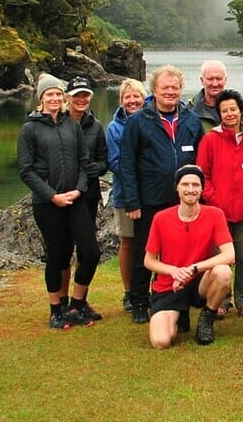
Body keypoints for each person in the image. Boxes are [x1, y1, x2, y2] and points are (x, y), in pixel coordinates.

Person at [119, 65, 204, 324]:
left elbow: (200, 160)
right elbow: (127, 163)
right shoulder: (138, 121)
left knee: (179, 254)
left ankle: (174, 300)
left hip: (182, 200)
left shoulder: (191, 120)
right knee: (145, 253)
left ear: (181, 90)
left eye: (175, 88)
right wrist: (132, 201)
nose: (170, 92)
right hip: (149, 200)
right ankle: (138, 301)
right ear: (154, 90)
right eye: (165, 88)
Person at [18, 74, 101, 329]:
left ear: (63, 97)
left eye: (57, 94)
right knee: (57, 255)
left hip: (75, 199)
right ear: (40, 97)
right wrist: (51, 195)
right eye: (49, 94)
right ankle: (56, 310)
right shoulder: (30, 128)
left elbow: (84, 163)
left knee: (90, 251)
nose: (54, 98)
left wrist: (78, 190)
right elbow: (26, 170)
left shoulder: (71, 125)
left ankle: (77, 305)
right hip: (47, 203)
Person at [144, 165, 234, 348]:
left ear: (202, 188)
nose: (190, 189)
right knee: (161, 342)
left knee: (224, 272)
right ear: (177, 187)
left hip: (199, 282)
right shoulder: (161, 218)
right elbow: (149, 260)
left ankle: (207, 318)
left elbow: (230, 255)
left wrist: (194, 268)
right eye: (185, 184)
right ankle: (180, 315)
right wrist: (174, 271)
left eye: (195, 185)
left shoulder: (215, 215)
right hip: (170, 285)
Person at [197, 89, 243, 319]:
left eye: (233, 109)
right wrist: (214, 199)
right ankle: (222, 300)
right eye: (224, 111)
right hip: (218, 214)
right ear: (219, 114)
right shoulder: (210, 140)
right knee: (221, 260)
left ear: (241, 110)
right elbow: (202, 176)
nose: (229, 114)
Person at [61, 76, 108, 321]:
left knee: (87, 250)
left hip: (87, 195)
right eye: (77, 94)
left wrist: (92, 169)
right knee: (62, 250)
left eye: (86, 95)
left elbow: (104, 161)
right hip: (59, 196)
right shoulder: (56, 123)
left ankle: (79, 301)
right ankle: (60, 303)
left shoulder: (96, 126)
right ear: (67, 96)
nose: (81, 99)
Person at [106, 78, 146, 312]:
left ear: (144, 97)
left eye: (136, 96)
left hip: (152, 193)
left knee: (153, 244)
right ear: (121, 101)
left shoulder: (151, 120)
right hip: (125, 194)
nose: (132, 100)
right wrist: (143, 173)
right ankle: (129, 292)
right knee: (128, 242)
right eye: (127, 97)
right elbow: (115, 161)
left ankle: (153, 288)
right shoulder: (114, 128)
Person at [188, 59, 228, 129]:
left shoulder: (236, 109)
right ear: (202, 80)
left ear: (225, 80)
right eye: (210, 79)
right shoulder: (190, 110)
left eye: (219, 78)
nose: (215, 84)